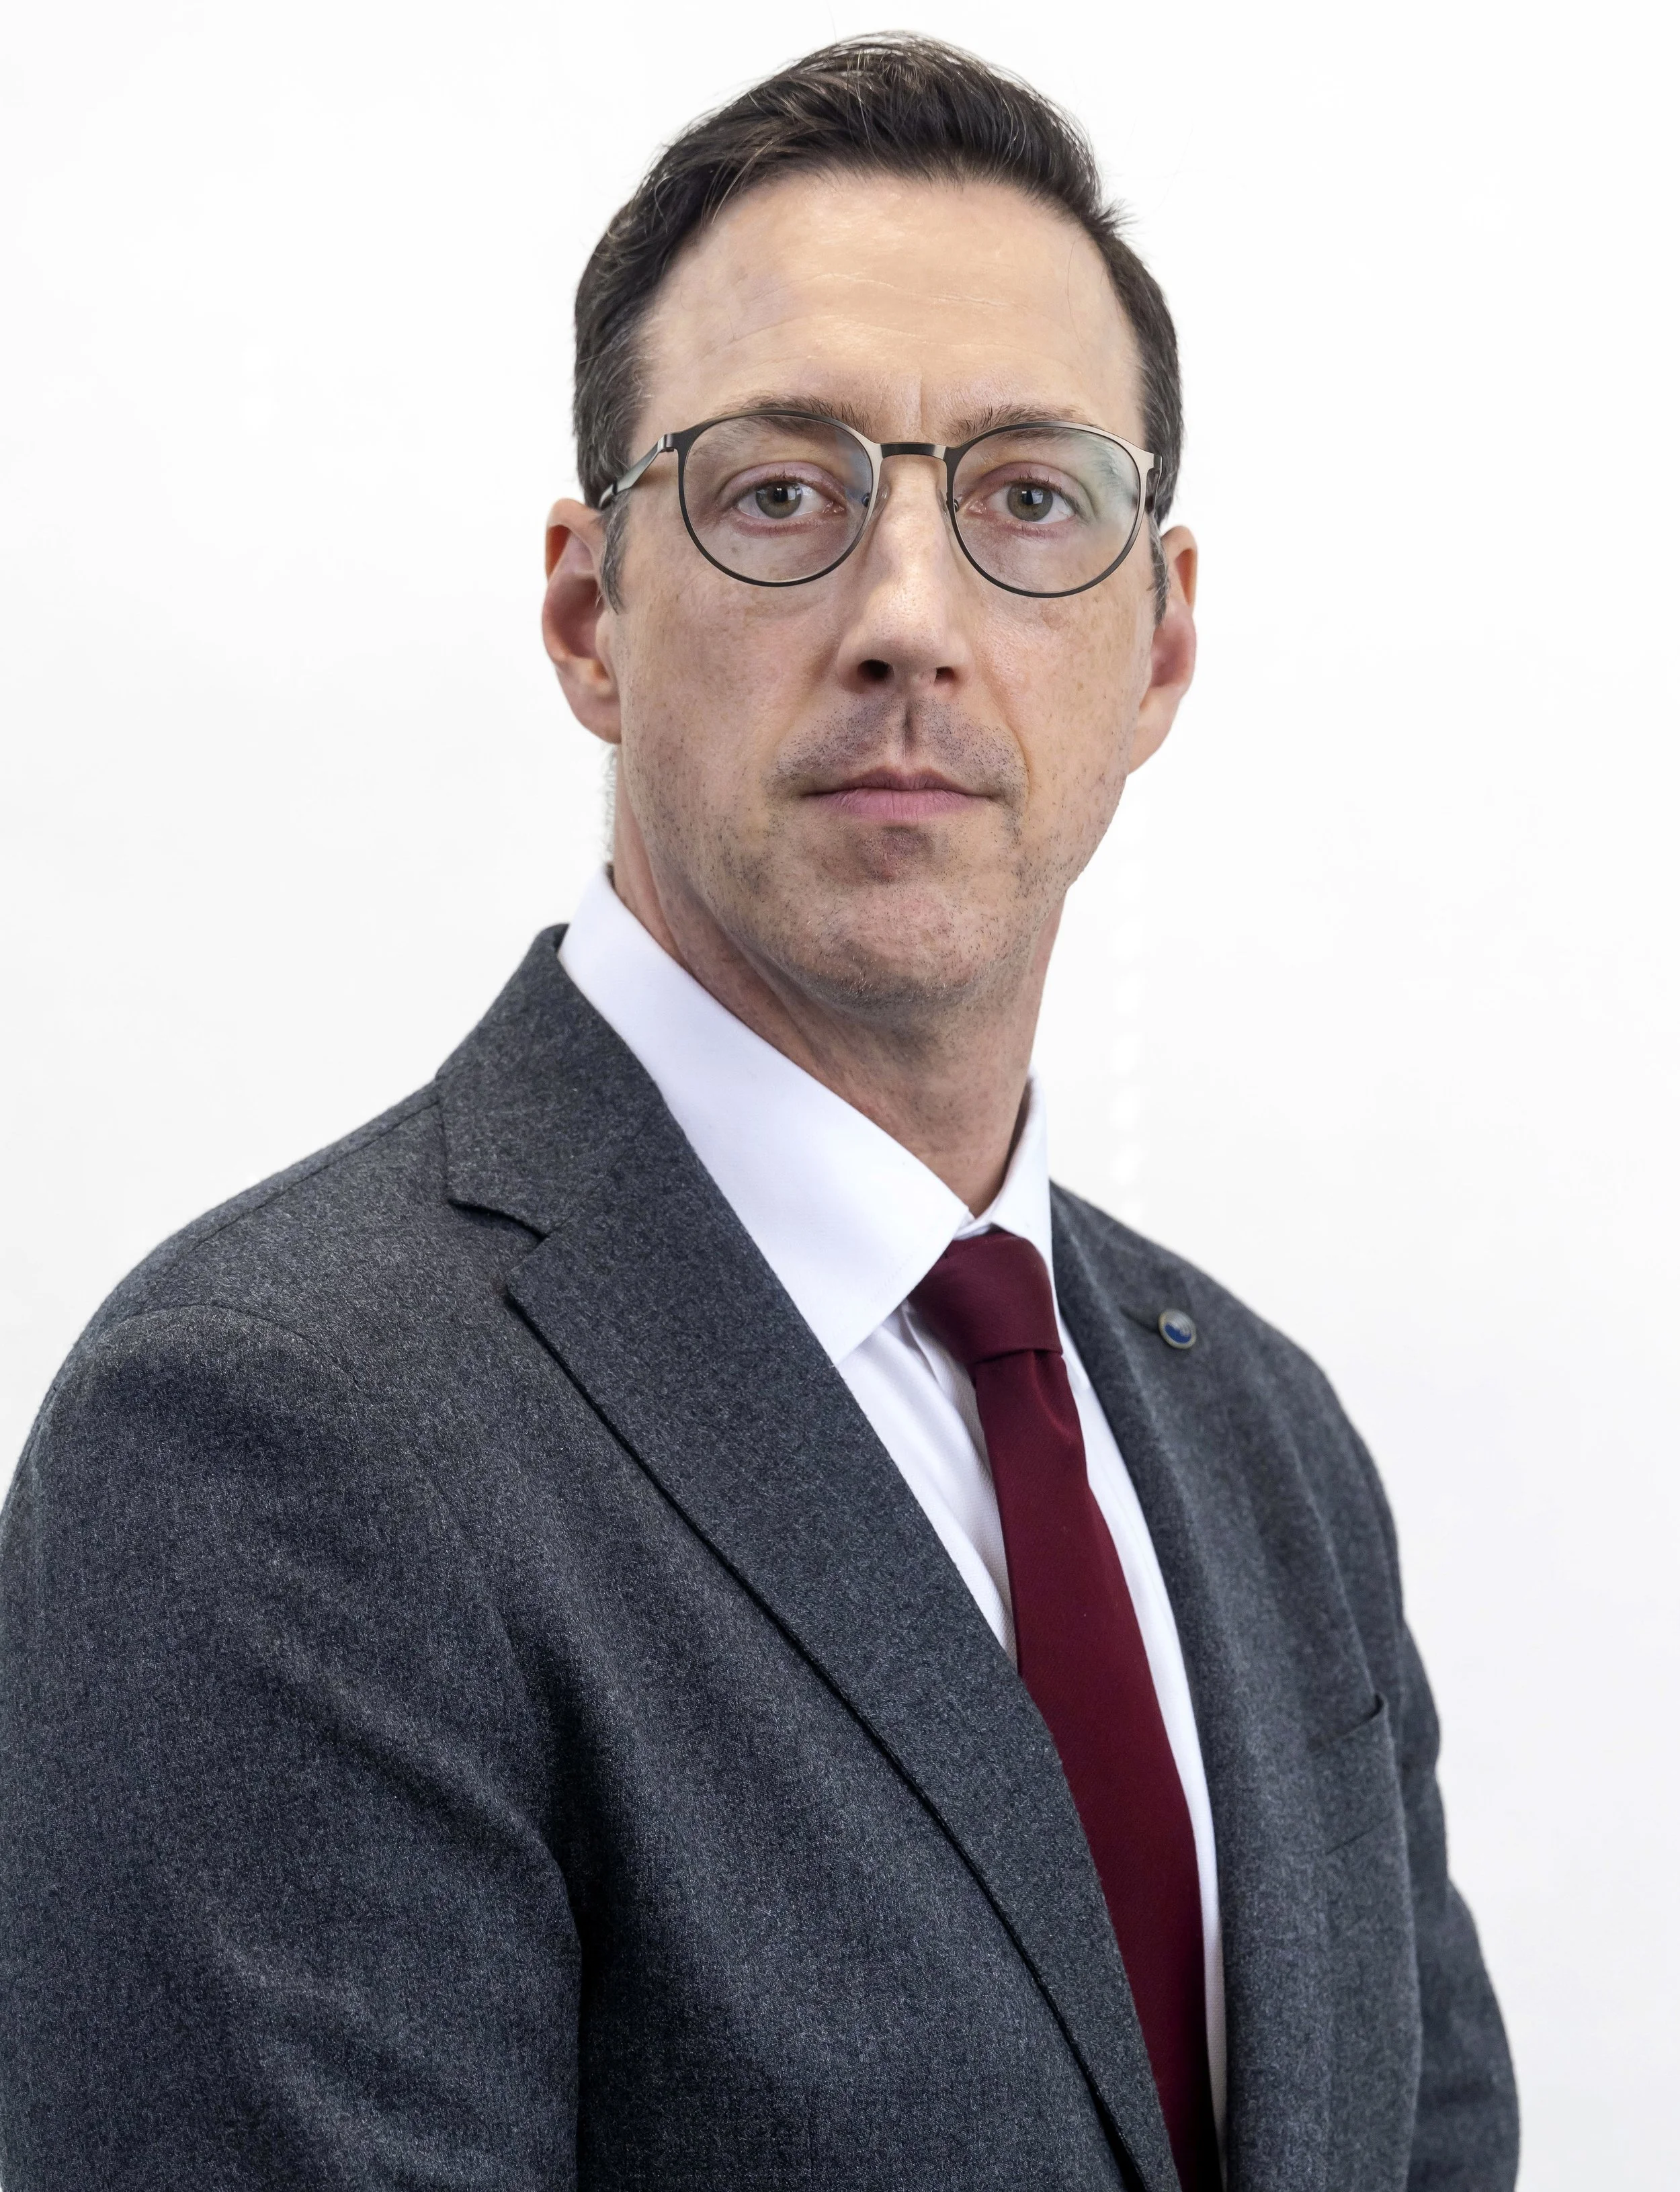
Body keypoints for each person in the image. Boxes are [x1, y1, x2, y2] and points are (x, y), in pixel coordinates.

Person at [0, 34, 1518, 2192]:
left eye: (1025, 498)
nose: (907, 618)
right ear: (585, 615)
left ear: (1157, 645)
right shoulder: (270, 1432)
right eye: (779, 492)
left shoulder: (1268, 1443)